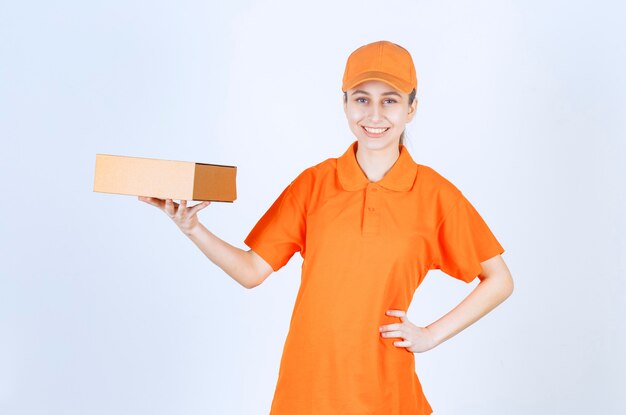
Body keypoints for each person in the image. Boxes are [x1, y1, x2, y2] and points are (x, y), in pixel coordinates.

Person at [139, 40, 514, 415]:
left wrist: (430, 335)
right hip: (307, 390)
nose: (374, 114)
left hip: (385, 391)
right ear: (345, 104)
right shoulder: (314, 185)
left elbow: (499, 279)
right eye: (362, 99)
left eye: (390, 100)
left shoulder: (435, 196)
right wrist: (191, 227)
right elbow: (252, 271)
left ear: (412, 108)